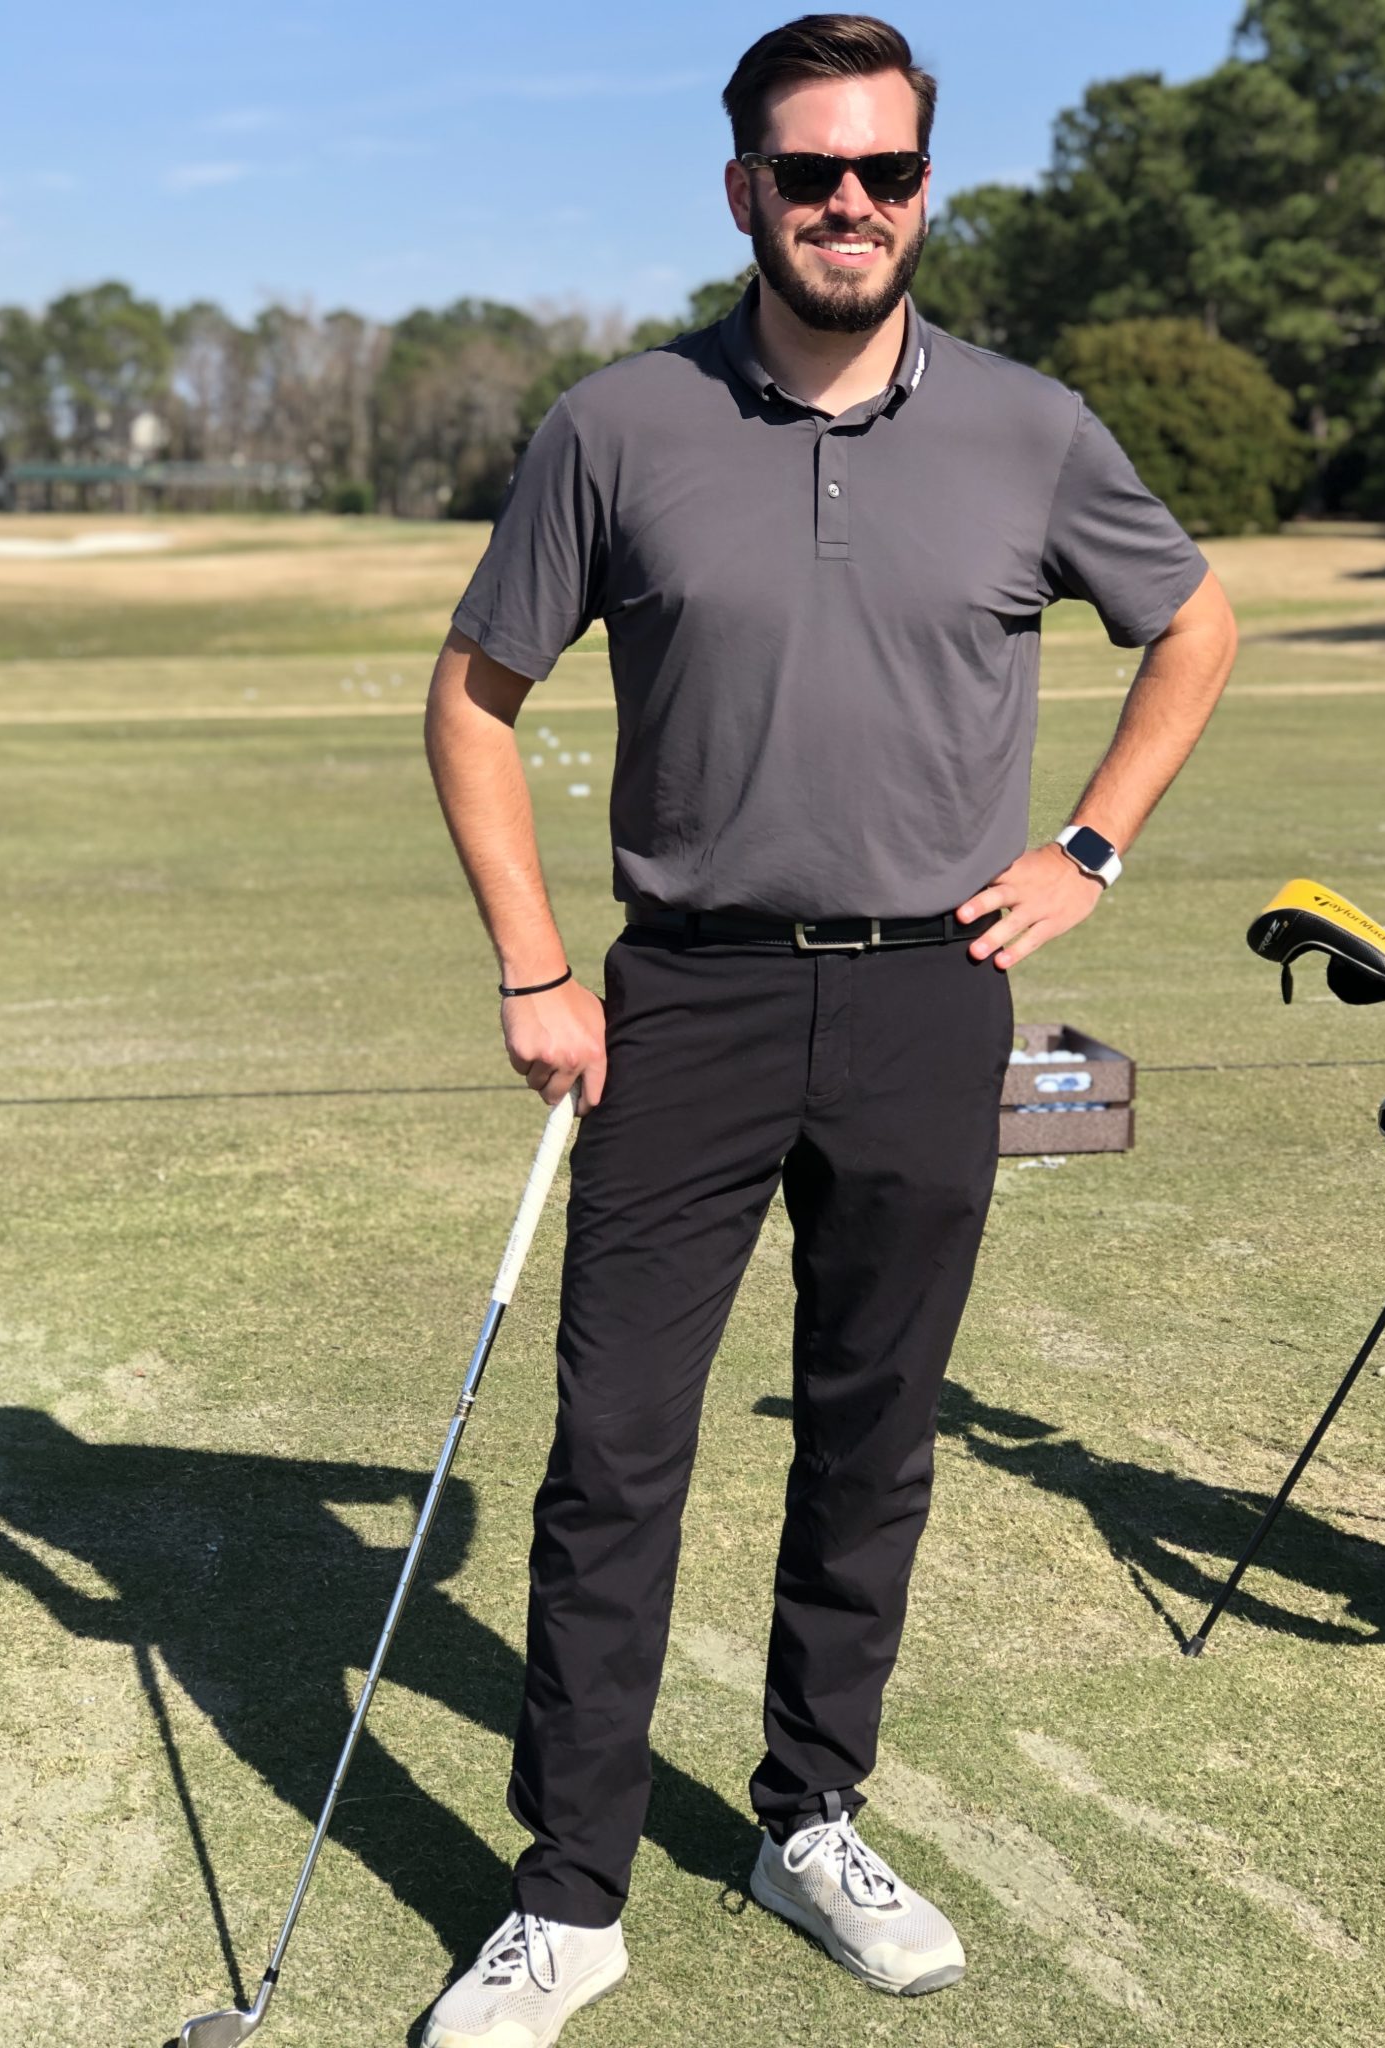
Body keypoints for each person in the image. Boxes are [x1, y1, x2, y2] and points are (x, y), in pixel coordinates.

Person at [420, 14, 1238, 2043]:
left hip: (928, 999)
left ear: (926, 193)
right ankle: (573, 1890)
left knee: (872, 1438)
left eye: (883, 172)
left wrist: (1093, 849)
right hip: (682, 998)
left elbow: (1192, 620)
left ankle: (810, 1813)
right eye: (810, 174)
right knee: (614, 1453)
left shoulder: (1035, 432)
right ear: (743, 195)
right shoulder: (618, 426)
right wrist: (535, 962)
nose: (849, 205)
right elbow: (472, 696)